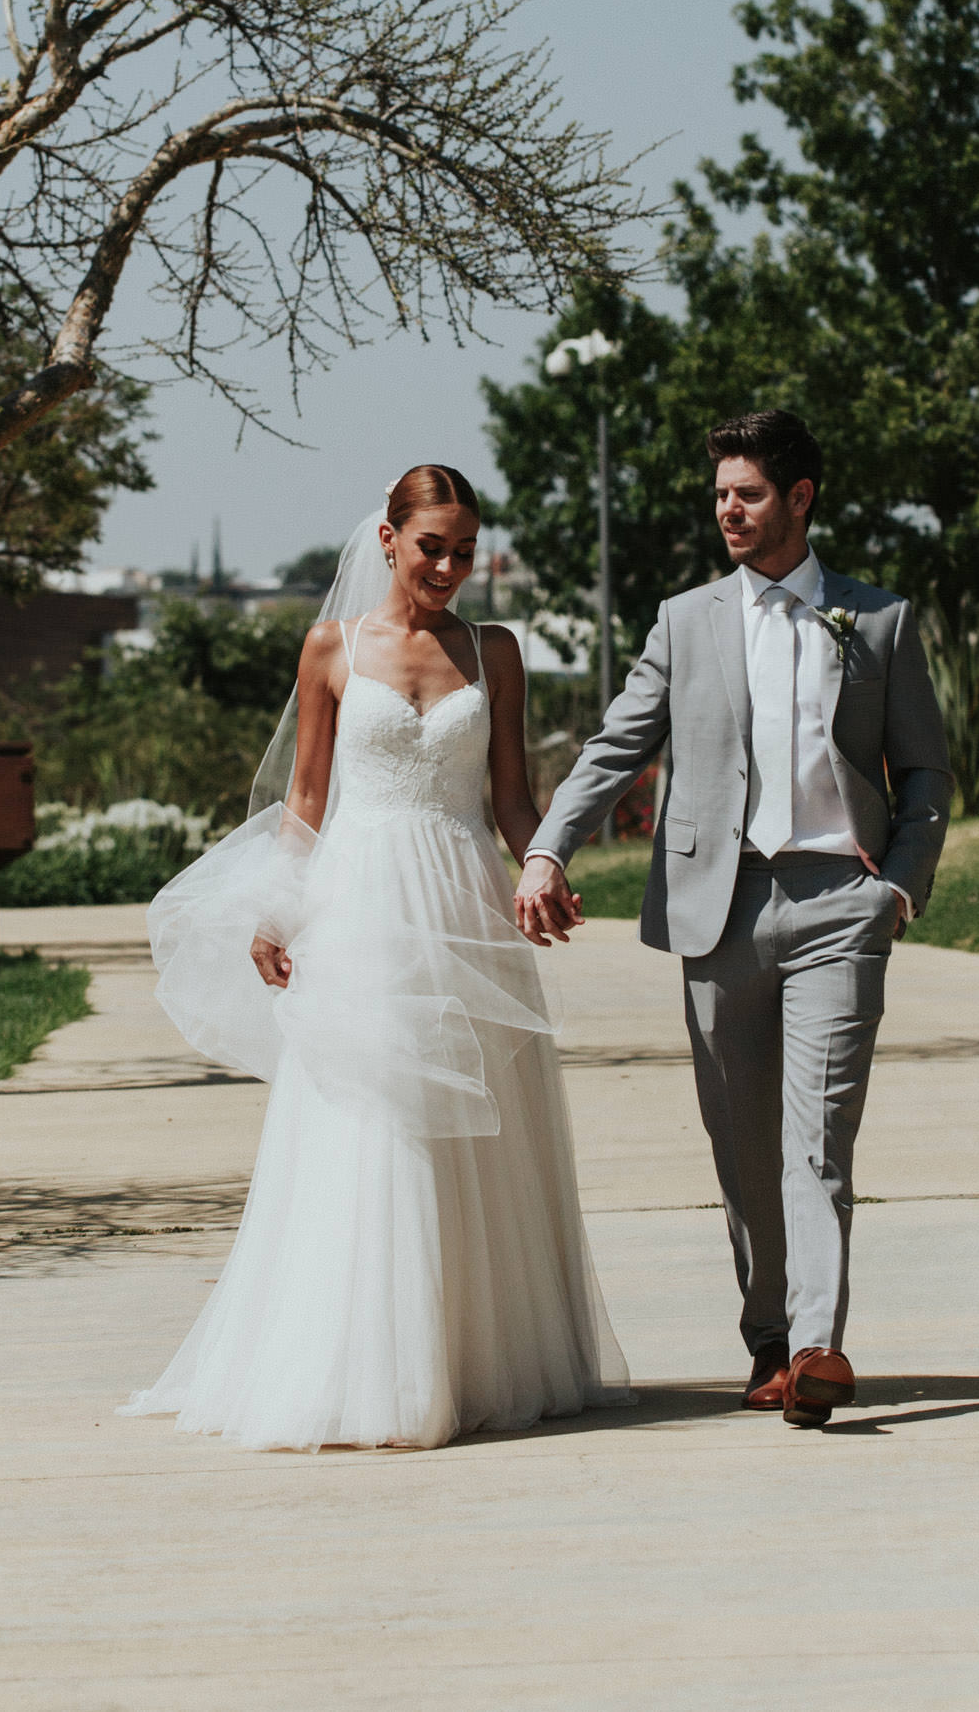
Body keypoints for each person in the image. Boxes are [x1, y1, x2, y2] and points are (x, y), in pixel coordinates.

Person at [122, 464, 629, 1451]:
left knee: (474, 1130)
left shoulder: (496, 652)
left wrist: (541, 863)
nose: (448, 566)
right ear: (388, 539)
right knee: (374, 1120)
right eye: (431, 545)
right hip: (360, 902)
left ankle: (473, 1361)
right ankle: (369, 1370)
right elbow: (307, 799)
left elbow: (512, 797)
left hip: (463, 898)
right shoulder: (331, 646)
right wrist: (278, 912)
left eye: (465, 550)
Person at [515, 410, 951, 1428]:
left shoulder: (877, 620)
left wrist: (901, 884)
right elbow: (614, 747)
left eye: (746, 494)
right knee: (744, 1150)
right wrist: (547, 848)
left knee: (820, 1137)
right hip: (720, 910)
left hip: (843, 904)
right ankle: (767, 1334)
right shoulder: (686, 620)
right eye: (720, 495)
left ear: (799, 499)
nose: (727, 510)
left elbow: (924, 767)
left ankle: (816, 1346)